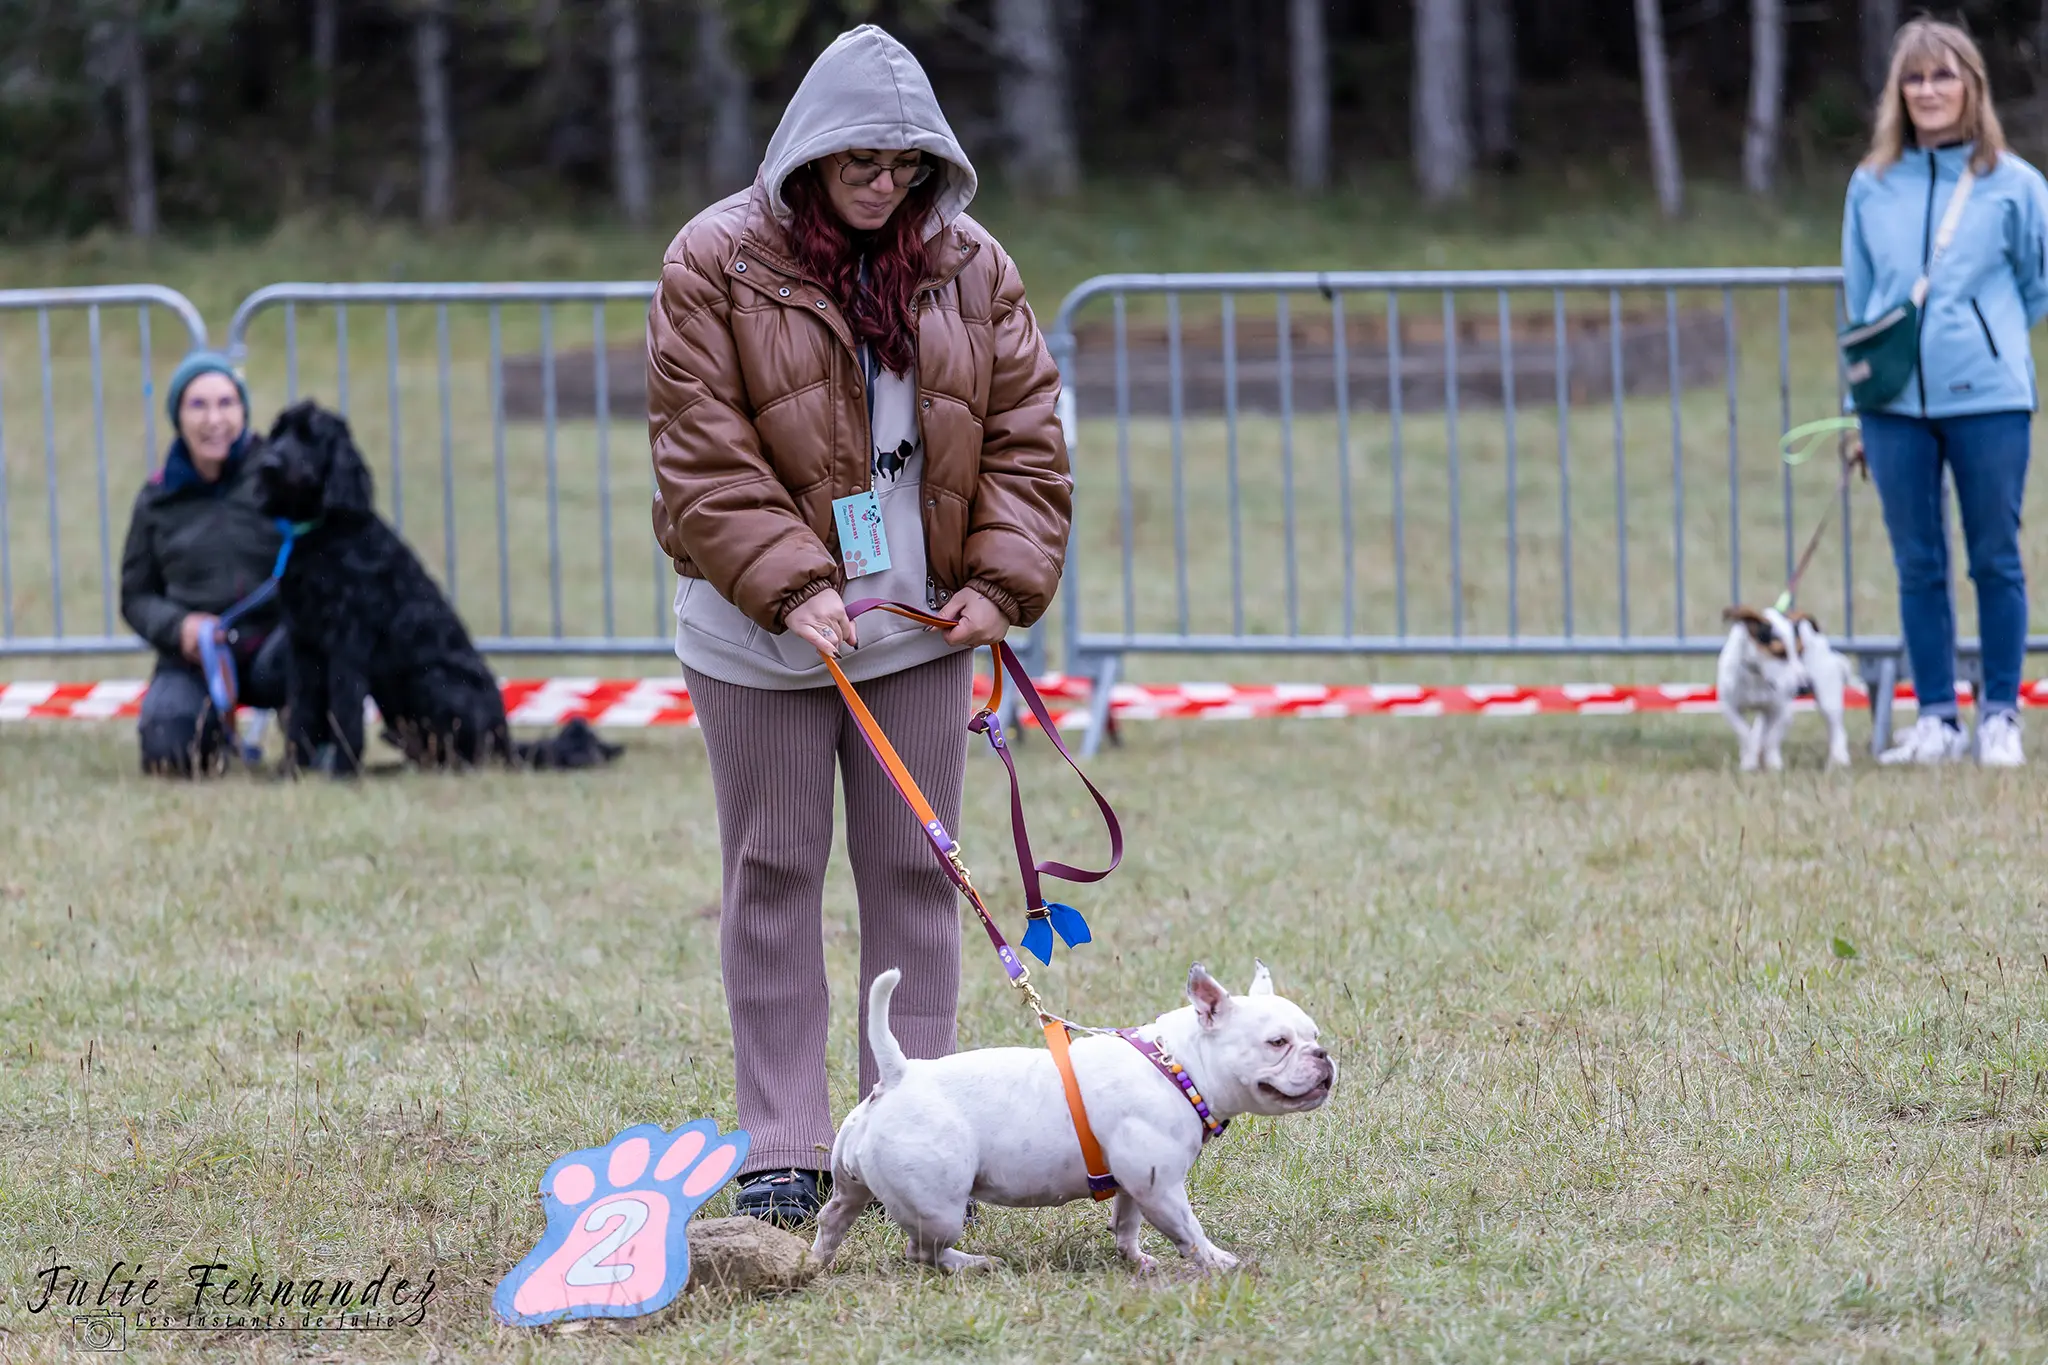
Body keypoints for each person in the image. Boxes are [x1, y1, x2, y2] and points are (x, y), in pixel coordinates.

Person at [646, 25, 1072, 1226]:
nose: (883, 185)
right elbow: (698, 451)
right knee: (773, 873)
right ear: (808, 156)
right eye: (859, 163)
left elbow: (1028, 435)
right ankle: (784, 1145)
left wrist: (1000, 581)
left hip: (920, 631)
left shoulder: (973, 264)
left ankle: (915, 1135)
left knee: (912, 874)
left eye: (903, 164)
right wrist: (790, 584)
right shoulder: (710, 261)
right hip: (758, 639)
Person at [1843, 18, 2048, 767]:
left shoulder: (2017, 186)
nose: (1929, 91)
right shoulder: (1870, 186)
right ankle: (1935, 716)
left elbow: (2036, 281)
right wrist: (1859, 405)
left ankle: (2000, 713)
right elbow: (1862, 303)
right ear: (1899, 92)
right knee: (1916, 561)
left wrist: (1984, 337)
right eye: (1914, 78)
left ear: (1972, 85)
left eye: (1943, 75)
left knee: (1995, 556)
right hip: (1894, 407)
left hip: (1989, 400)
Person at [119, 352, 289, 775]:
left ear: (243, 411)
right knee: (168, 750)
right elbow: (135, 595)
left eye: (227, 403)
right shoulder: (157, 499)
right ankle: (213, 738)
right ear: (178, 417)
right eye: (198, 405)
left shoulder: (282, 475)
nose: (215, 420)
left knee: (315, 672)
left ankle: (311, 735)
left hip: (279, 644)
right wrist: (180, 628)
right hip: (197, 654)